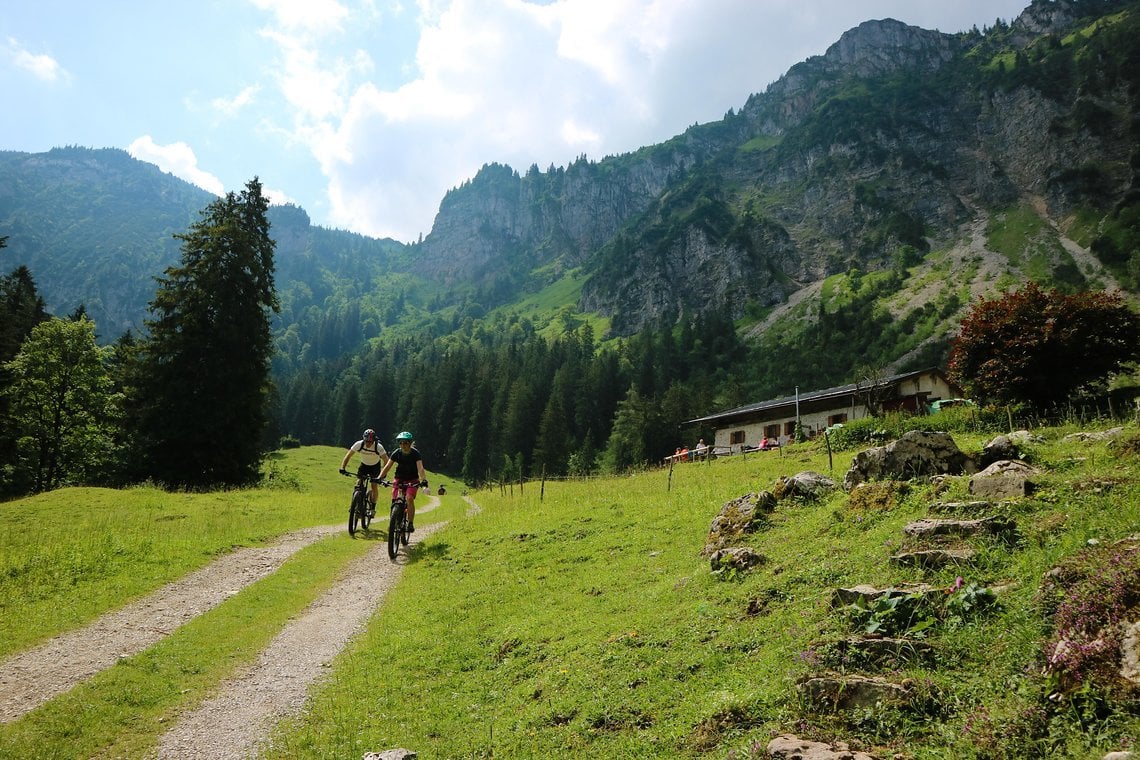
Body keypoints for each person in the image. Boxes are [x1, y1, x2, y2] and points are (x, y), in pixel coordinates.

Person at [379, 430, 428, 533]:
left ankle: (410, 523)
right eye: (400, 442)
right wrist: (380, 477)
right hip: (399, 478)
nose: (402, 445)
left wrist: (424, 481)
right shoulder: (397, 453)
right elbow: (388, 466)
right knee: (394, 498)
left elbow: (420, 468)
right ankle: (393, 522)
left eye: (405, 442)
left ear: (410, 443)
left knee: (409, 498)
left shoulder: (415, 454)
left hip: (412, 479)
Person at [339, 428, 388, 515]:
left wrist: (383, 474)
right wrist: (342, 468)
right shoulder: (359, 444)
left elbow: (386, 460)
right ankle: (354, 504)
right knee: (358, 484)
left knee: (374, 486)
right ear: (363, 439)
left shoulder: (378, 447)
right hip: (364, 466)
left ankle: (372, 507)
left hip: (375, 467)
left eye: (370, 442)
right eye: (366, 441)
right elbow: (348, 456)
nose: (368, 443)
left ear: (374, 440)